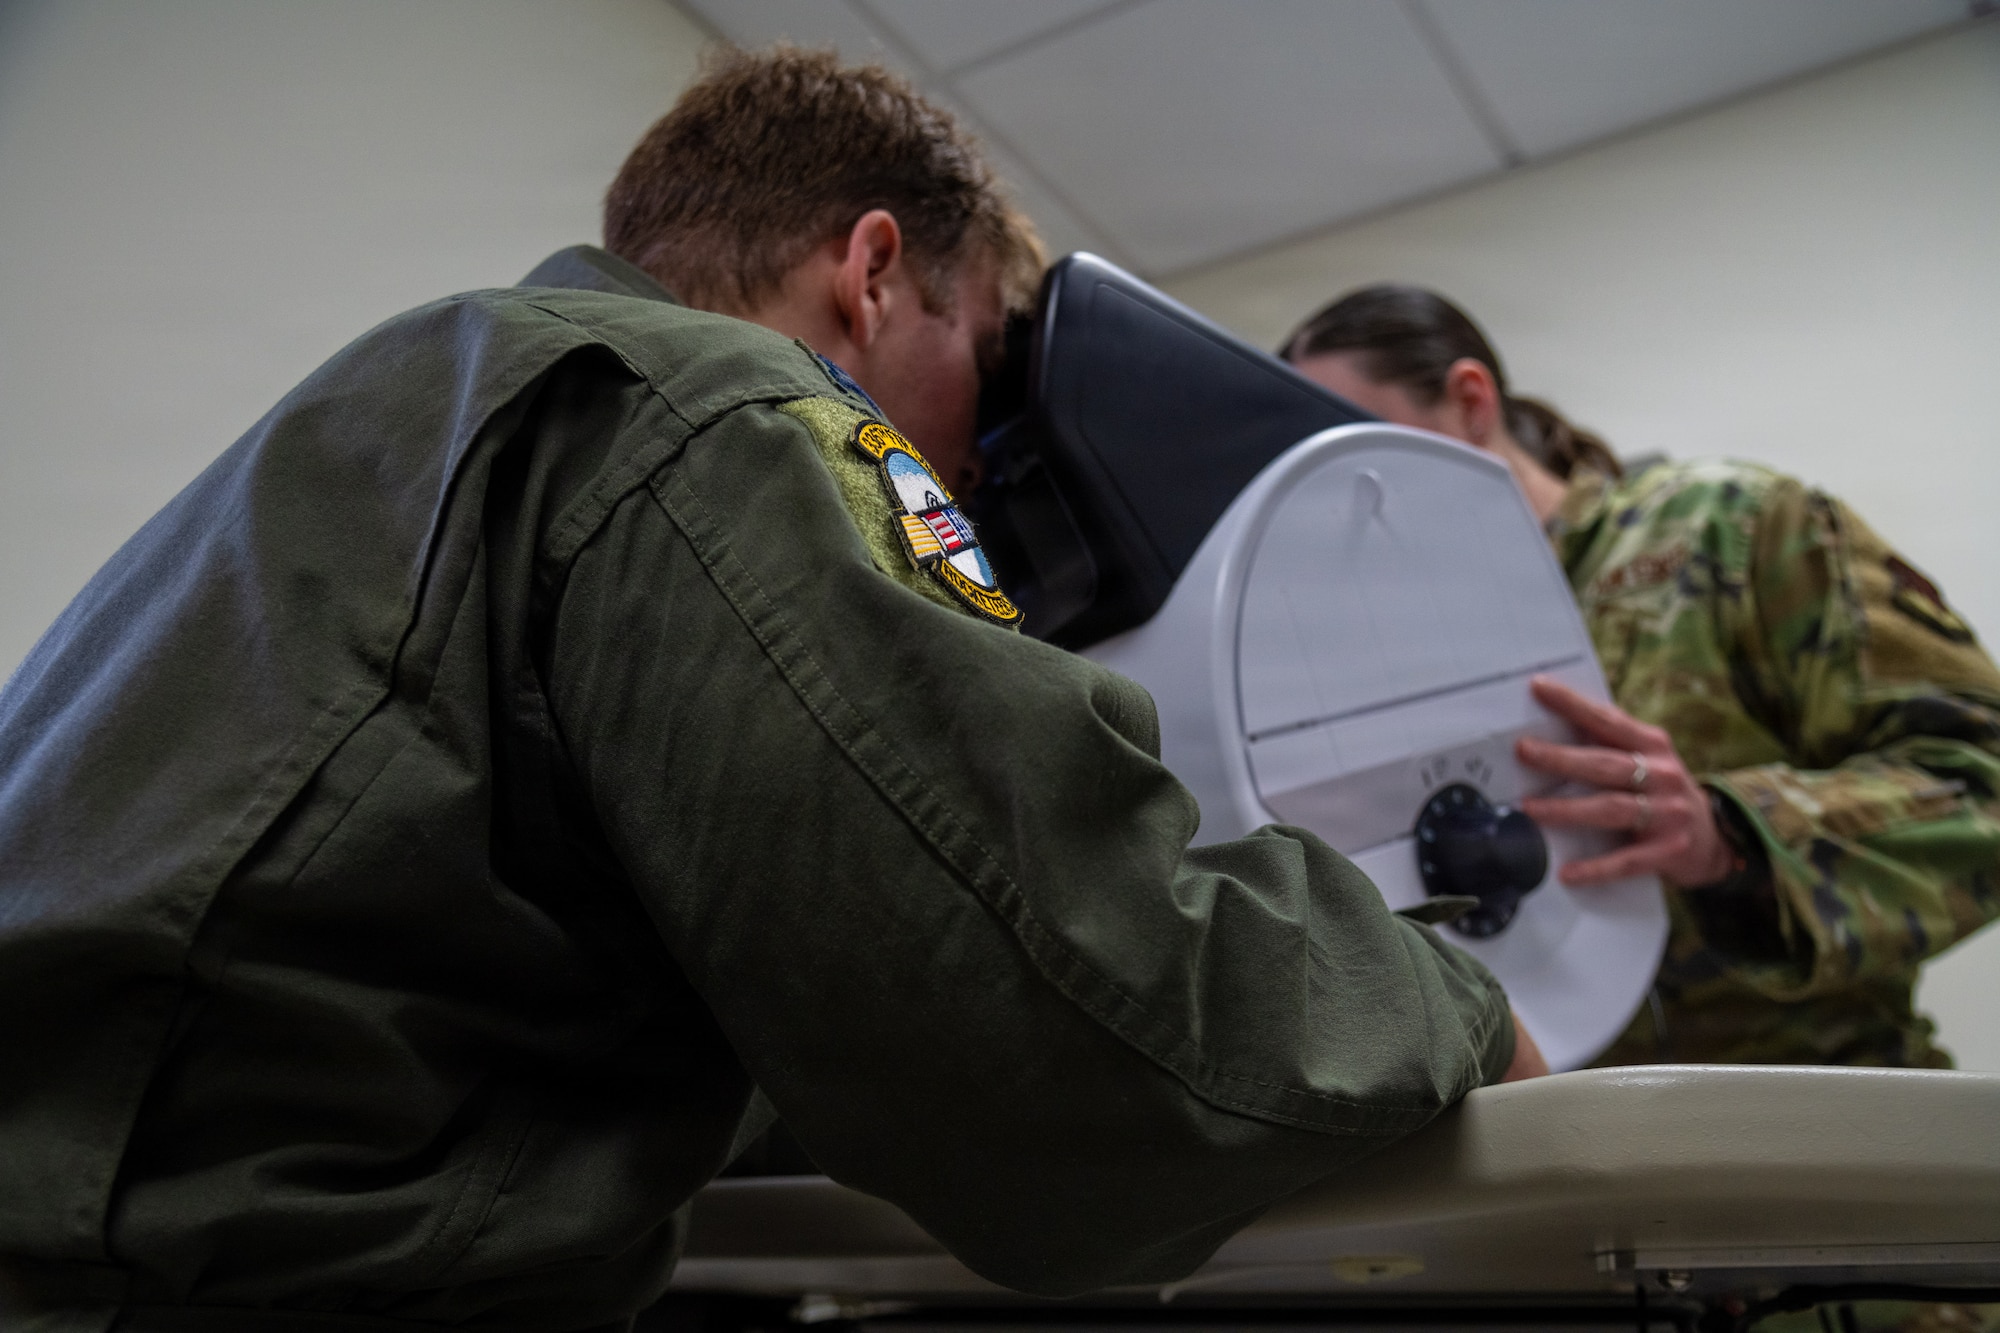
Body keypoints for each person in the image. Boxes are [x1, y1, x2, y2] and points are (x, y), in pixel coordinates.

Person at [0, 53, 1537, 1333]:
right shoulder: (734, 413)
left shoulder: (409, 409)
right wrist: (1456, 1003)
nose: (974, 469)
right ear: (872, 277)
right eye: (984, 362)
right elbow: (1086, 1057)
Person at [1282, 284, 2000, 1070]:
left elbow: (1982, 779)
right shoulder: (1385, 652)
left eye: (1353, 436)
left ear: (1471, 401)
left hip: (1827, 1123)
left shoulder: (1729, 528)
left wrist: (1727, 834)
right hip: (1578, 1153)